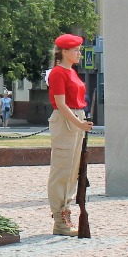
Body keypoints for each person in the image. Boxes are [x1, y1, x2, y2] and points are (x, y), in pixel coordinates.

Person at [47, 34, 93, 237]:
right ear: (64, 52)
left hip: (76, 118)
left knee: (73, 171)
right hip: (66, 120)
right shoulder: (58, 73)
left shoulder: (71, 72)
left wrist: (80, 123)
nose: (79, 53)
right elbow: (61, 104)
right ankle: (60, 218)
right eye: (75, 50)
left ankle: (66, 213)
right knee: (62, 170)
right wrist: (79, 124)